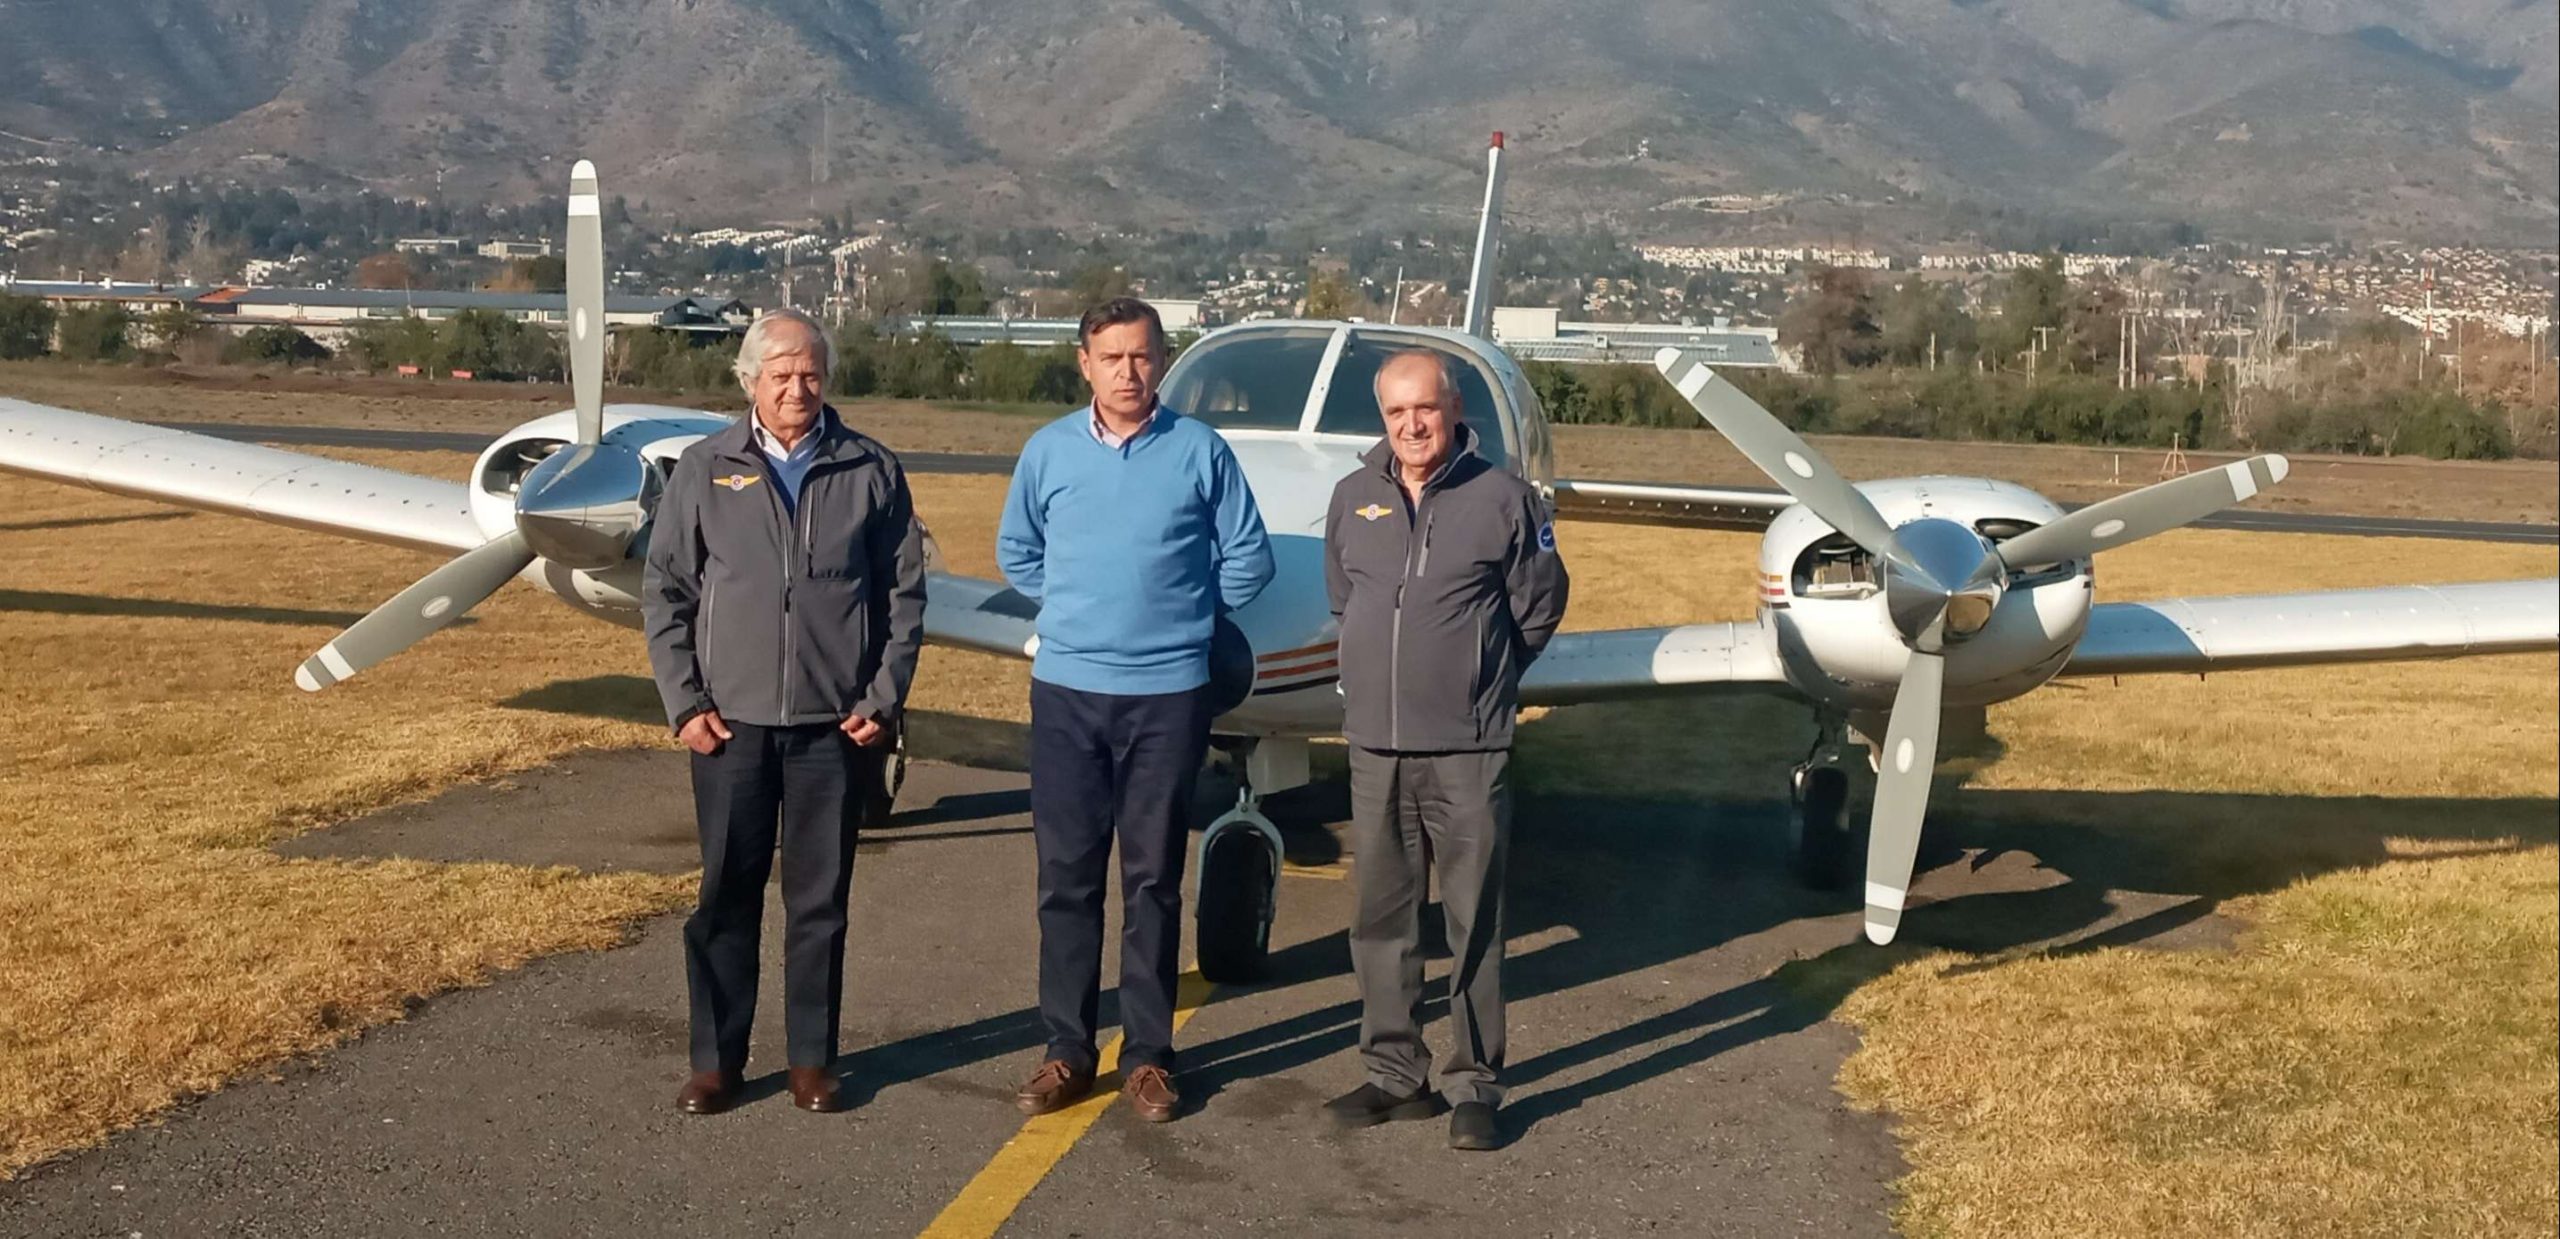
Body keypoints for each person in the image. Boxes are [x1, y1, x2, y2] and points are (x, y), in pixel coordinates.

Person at [641, 307, 928, 1116]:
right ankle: (716, 1061)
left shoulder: (870, 468)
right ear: (750, 382)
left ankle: (811, 1060)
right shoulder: (706, 467)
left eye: (809, 374)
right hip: (728, 726)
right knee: (726, 894)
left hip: (834, 728)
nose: (797, 388)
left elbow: (904, 595)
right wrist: (684, 704)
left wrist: (882, 697)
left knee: (819, 898)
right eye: (781, 375)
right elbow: (666, 590)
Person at [996, 297, 1274, 1123]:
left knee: (1151, 878)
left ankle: (1148, 1057)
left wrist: (1188, 617)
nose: (1128, 370)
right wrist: (1079, 606)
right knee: (1067, 877)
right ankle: (1067, 1049)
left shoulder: (1200, 450)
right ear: (1084, 362)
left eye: (1143, 356)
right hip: (1070, 693)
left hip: (1168, 696)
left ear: (1163, 360)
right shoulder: (1047, 451)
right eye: (1111, 356)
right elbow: (1018, 550)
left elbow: (1250, 557)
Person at [1319, 347, 1569, 1151]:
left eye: (1425, 408)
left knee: (1472, 920)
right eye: (1396, 413)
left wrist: (1485, 678)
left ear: (1453, 407)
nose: (1412, 425)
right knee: (1382, 917)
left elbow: (1540, 603)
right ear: (1382, 418)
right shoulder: (1353, 497)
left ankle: (1474, 1085)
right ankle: (1395, 1075)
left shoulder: (1502, 498)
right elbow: (1344, 596)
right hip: (1375, 748)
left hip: (1467, 747)